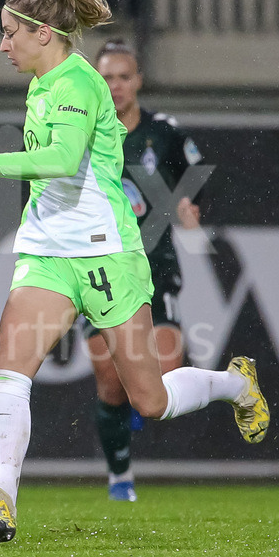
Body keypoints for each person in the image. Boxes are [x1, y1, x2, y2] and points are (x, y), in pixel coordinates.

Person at [0, 0, 269, 544]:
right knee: (10, 369)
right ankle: (3, 498)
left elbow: (60, 160)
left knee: (150, 399)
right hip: (47, 249)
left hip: (106, 251)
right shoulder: (41, 83)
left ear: (43, 33)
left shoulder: (80, 84)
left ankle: (237, 385)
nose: (2, 43)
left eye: (10, 32)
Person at [89, 38, 207, 502]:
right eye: (106, 78)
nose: (114, 86)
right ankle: (120, 475)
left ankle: (144, 404)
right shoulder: (84, 131)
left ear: (137, 81)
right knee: (111, 379)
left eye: (122, 77)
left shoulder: (164, 133)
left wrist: (191, 206)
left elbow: (193, 184)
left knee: (163, 374)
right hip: (100, 267)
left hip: (155, 265)